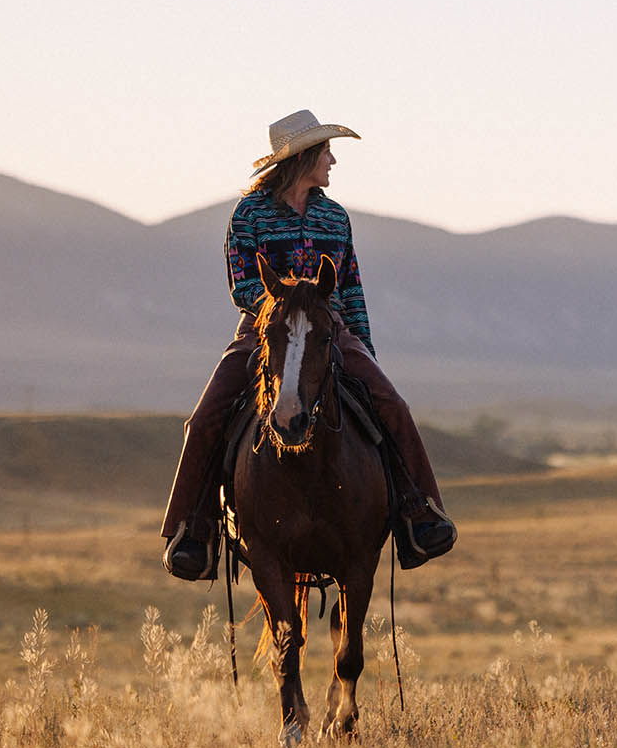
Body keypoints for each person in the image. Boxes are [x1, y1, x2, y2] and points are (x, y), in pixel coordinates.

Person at [161, 110, 457, 579]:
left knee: (392, 405)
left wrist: (365, 353)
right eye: (326, 152)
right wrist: (285, 310)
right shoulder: (249, 214)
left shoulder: (334, 217)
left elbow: (351, 288)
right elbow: (242, 284)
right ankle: (192, 532)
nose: (332, 161)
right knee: (203, 420)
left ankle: (419, 514)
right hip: (266, 329)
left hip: (328, 330)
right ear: (303, 158)